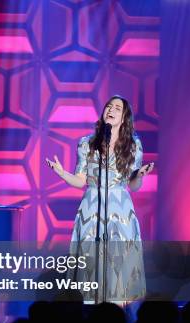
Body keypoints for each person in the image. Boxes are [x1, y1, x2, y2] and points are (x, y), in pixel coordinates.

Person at [46, 96, 154, 303]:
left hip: (120, 209)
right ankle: (89, 313)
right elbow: (80, 180)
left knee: (118, 264)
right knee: (90, 261)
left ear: (124, 118)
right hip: (91, 208)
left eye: (117, 108)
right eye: (108, 106)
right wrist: (61, 173)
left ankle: (116, 317)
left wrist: (139, 176)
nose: (111, 110)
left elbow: (132, 186)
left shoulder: (133, 145)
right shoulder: (87, 143)